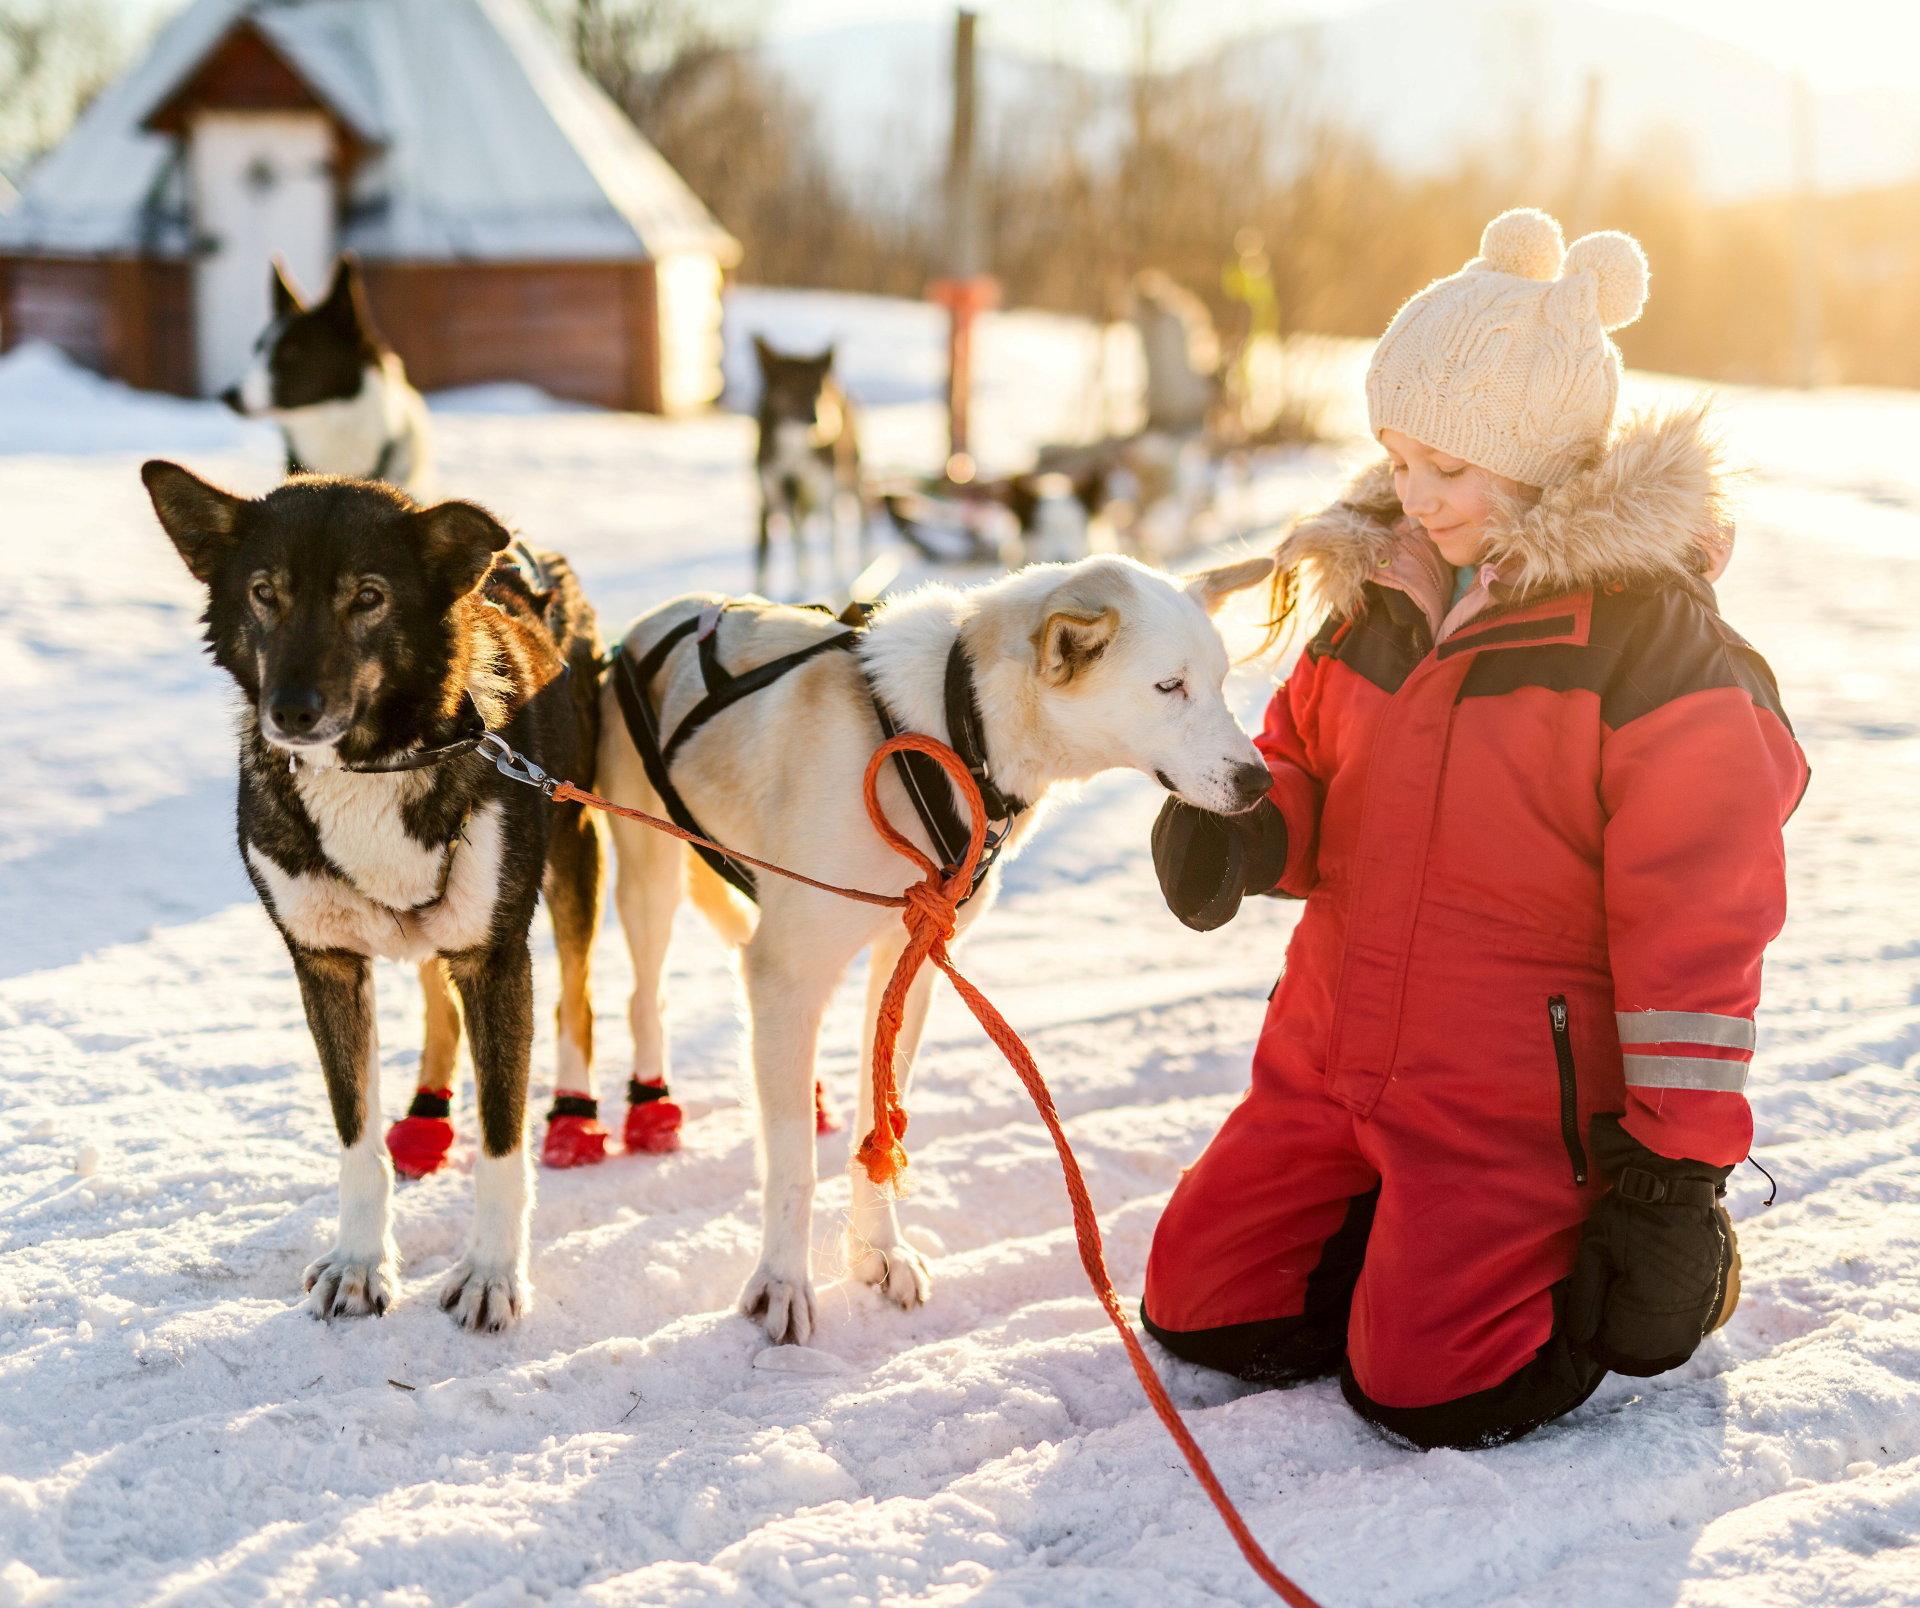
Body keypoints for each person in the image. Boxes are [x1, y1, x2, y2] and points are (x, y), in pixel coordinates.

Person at [1140, 208, 1809, 1450]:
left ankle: (1573, 1258)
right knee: (1202, 1301)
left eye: (1449, 470)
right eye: (1398, 458)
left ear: (1544, 461)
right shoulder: (1378, 596)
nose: (1413, 496)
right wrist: (1246, 829)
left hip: (1510, 1094)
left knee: (1429, 1387)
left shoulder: (1647, 650)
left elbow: (1698, 933)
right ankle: (1396, 1245)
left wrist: (1675, 1178)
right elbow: (1306, 768)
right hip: (1332, 1056)